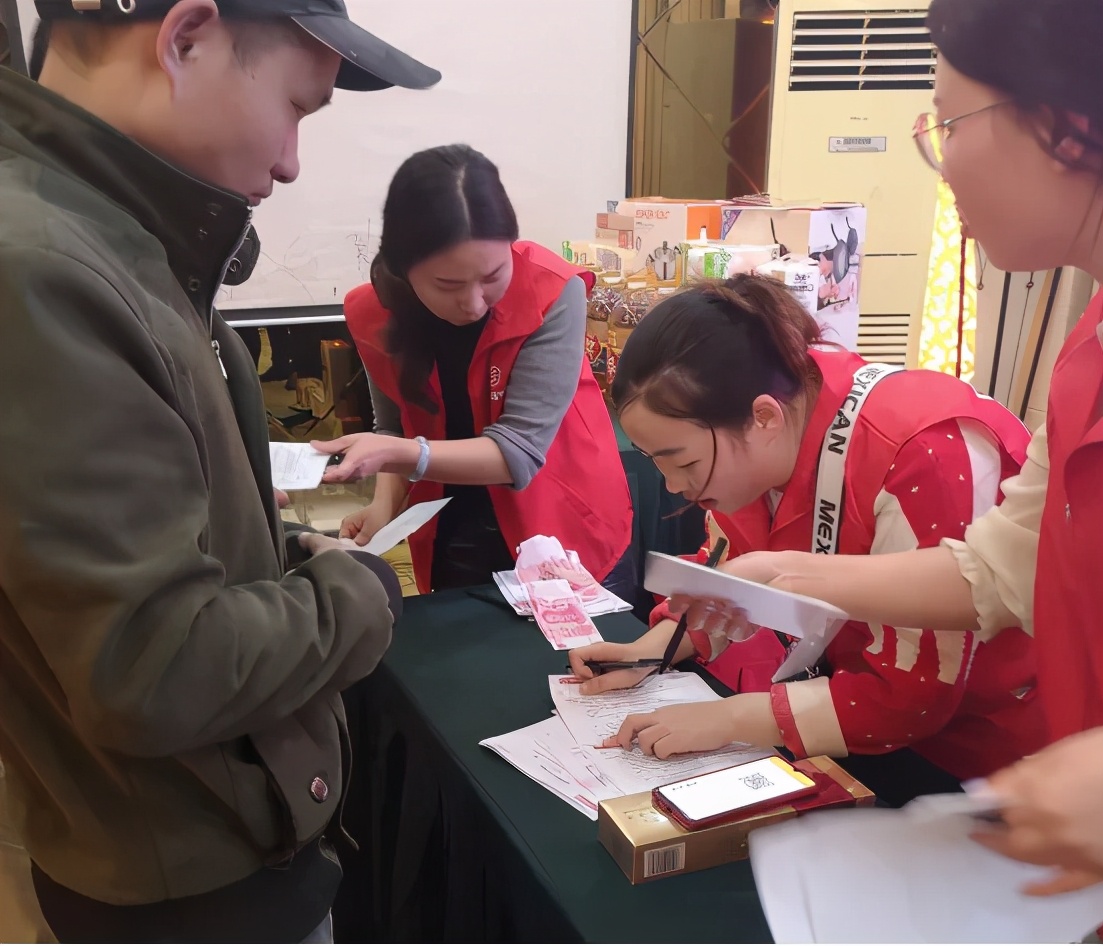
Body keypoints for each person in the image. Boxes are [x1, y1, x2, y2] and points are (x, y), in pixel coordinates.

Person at [0, 0, 441, 940]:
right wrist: (354, 597)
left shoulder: (116, 244)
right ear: (184, 37)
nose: (289, 162)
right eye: (295, 107)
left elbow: (166, 532)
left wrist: (282, 547)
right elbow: (150, 663)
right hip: (187, 881)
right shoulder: (45, 271)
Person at [650, 0, 1103, 895]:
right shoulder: (1084, 344)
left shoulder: (918, 438)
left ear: (1063, 124)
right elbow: (1000, 570)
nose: (938, 165)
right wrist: (795, 576)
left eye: (948, 125)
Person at [569, 274, 1047, 803]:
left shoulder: (922, 452)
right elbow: (733, 580)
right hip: (859, 726)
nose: (673, 486)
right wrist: (649, 653)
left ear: (764, 416)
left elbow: (914, 690)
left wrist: (730, 717)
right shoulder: (770, 429)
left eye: (682, 461)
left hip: (988, 763)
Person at [313, 145, 635, 596]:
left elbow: (518, 452)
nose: (473, 303)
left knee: (575, 660)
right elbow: (394, 427)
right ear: (404, 270)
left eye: (492, 276)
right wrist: (384, 505)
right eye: (448, 284)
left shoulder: (551, 292)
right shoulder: (374, 314)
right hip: (451, 518)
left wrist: (402, 455)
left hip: (561, 517)